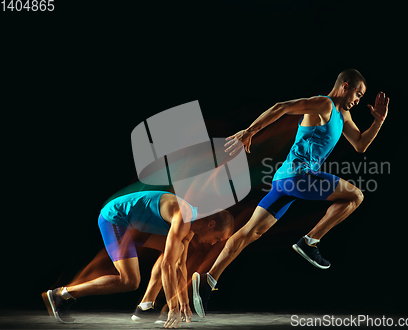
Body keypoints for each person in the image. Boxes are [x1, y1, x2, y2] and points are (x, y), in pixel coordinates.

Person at [191, 69, 389, 317]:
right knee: (356, 196)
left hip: (285, 181)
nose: (358, 100)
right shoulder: (323, 104)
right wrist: (249, 132)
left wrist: (378, 122)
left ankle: (208, 280)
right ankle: (310, 241)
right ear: (345, 86)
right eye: (358, 93)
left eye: (361, 97)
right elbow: (281, 107)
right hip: (299, 177)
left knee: (250, 232)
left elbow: (360, 144)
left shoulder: (344, 115)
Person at [42, 190, 234, 328]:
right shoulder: (183, 217)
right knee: (129, 281)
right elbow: (168, 264)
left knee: (176, 251)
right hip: (115, 218)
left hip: (135, 225)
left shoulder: (190, 226)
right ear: (211, 224)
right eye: (217, 238)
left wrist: (183, 302)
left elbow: (179, 266)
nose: (212, 243)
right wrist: (173, 307)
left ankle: (145, 307)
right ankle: (61, 295)